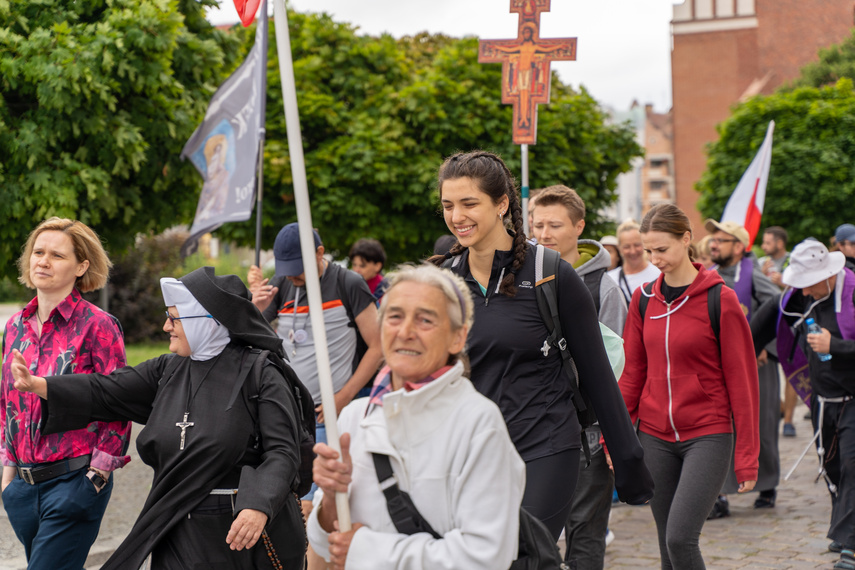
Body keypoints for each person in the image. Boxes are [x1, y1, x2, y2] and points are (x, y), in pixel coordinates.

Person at [10, 267, 308, 570]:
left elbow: (283, 451)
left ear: (209, 323)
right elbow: (106, 390)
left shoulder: (262, 373)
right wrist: (38, 385)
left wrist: (259, 504)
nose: (166, 326)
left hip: (240, 535)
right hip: (178, 527)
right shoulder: (168, 369)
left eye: (175, 318)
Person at [428, 150, 653, 540]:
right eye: (448, 205)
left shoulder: (552, 274)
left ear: (501, 204)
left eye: (469, 203)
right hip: (474, 454)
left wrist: (629, 459)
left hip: (545, 446)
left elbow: (598, 375)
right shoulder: (443, 283)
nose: (456, 216)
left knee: (520, 555)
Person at [307, 264, 525, 569]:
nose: (405, 332)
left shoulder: (478, 423)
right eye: (394, 317)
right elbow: (327, 546)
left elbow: (485, 557)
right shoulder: (354, 418)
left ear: (457, 338)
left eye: (425, 320)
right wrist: (330, 498)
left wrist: (368, 551)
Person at [620, 204, 759, 569]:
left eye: (661, 249)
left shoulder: (720, 299)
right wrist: (615, 437)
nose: (654, 259)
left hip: (708, 434)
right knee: (668, 548)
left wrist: (746, 457)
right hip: (654, 436)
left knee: (681, 539)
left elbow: (742, 383)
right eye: (649, 250)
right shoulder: (643, 299)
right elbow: (632, 374)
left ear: (686, 239)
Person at [248, 223, 383, 569]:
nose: (292, 278)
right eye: (286, 271)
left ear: (320, 254)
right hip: (287, 414)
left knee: (311, 506)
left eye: (298, 270)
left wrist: (343, 396)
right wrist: (253, 304)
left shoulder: (347, 284)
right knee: (293, 503)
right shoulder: (281, 285)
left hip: (328, 415)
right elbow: (250, 339)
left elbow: (379, 345)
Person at [0, 217, 129, 569]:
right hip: (23, 489)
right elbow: (7, 403)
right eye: (38, 252)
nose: (43, 261)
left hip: (73, 483)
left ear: (81, 266)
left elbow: (117, 402)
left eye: (56, 255)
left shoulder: (98, 325)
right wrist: (8, 478)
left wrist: (96, 478)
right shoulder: (14, 326)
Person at [530, 185, 627, 569]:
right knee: (535, 534)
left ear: (579, 226)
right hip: (535, 428)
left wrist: (611, 433)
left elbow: (616, 368)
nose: (544, 234)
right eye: (537, 225)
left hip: (587, 431)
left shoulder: (603, 287)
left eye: (554, 225)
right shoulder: (524, 279)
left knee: (585, 532)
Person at [750, 239, 855, 569]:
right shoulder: (798, 296)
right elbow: (756, 327)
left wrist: (833, 345)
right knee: (833, 467)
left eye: (809, 285)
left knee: (853, 465)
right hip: (821, 400)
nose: (805, 293)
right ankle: (843, 524)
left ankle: (851, 545)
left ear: (828, 276)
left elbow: (834, 346)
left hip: (853, 398)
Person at [706, 219, 782, 514]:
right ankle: (720, 494)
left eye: (721, 241)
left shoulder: (753, 273)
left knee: (760, 424)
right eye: (713, 240)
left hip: (756, 363)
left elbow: (776, 305)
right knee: (721, 428)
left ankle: (767, 483)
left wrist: (762, 344)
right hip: (719, 366)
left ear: (739, 247)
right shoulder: (709, 275)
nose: (713, 244)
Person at [759, 226, 800, 438]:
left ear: (780, 243)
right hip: (768, 326)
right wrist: (761, 274)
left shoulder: (794, 261)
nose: (764, 247)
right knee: (770, 377)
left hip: (790, 324)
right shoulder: (760, 264)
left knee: (790, 373)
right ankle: (781, 407)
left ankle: (788, 421)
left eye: (768, 242)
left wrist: (782, 282)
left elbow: (804, 290)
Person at [607, 219, 661, 304]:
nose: (633, 251)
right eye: (627, 247)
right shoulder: (610, 279)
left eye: (637, 245)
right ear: (619, 248)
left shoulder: (659, 274)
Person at [348, 238, 390, 303]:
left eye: (362, 266)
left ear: (377, 266)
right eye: (354, 265)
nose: (356, 270)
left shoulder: (387, 290)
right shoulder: (349, 287)